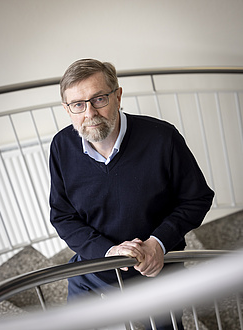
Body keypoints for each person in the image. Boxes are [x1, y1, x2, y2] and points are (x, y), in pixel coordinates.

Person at [49, 58, 214, 329]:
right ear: (67, 110)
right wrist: (108, 251)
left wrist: (157, 243)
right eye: (78, 105)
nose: (89, 113)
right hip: (94, 267)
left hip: (157, 269)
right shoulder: (61, 146)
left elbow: (197, 198)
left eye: (99, 99)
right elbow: (63, 216)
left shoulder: (162, 137)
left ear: (118, 96)